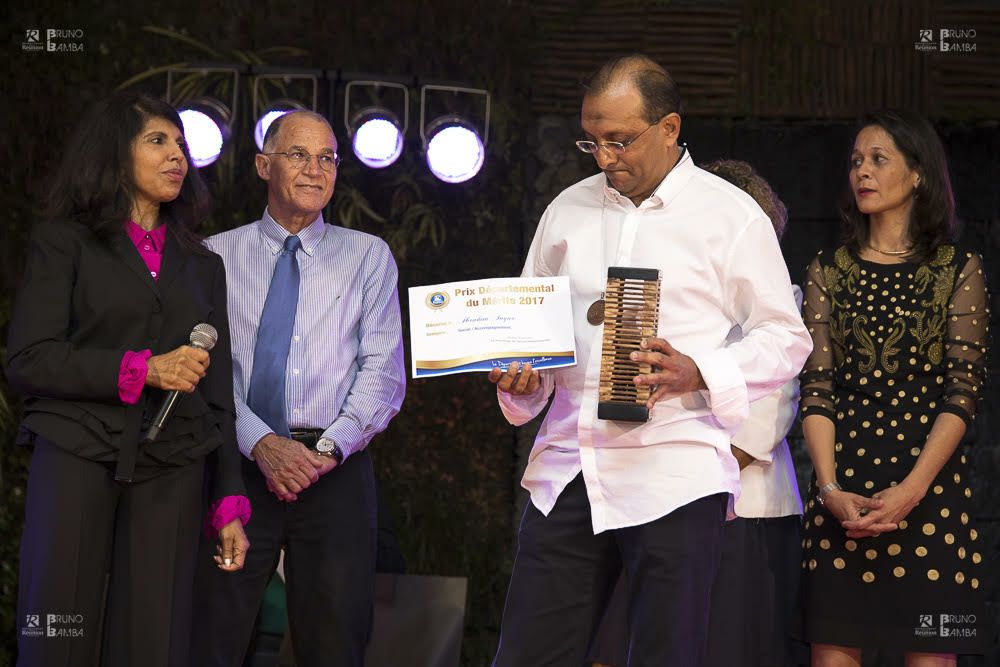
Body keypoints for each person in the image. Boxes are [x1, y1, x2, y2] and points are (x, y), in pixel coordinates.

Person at [488, 54, 813, 666]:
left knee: (666, 653)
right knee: (528, 653)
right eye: (592, 141)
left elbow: (786, 336)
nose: (606, 158)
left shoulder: (731, 215)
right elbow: (533, 335)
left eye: (620, 140)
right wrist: (523, 378)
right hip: (571, 467)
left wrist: (701, 371)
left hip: (675, 471)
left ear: (669, 128)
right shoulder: (568, 210)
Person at [6, 91, 249, 667]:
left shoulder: (203, 263)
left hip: (174, 462)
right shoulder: (64, 241)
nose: (178, 157)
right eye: (158, 141)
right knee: (55, 633)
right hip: (75, 450)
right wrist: (143, 369)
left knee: (155, 640)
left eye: (182, 146)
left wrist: (230, 499)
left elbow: (218, 392)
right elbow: (29, 358)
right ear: (116, 155)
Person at [193, 110, 406, 667]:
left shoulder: (368, 256)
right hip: (236, 464)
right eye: (297, 154)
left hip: (333, 468)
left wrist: (325, 452)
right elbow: (202, 374)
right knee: (213, 634)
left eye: (328, 158)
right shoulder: (212, 255)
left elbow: (383, 372)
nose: (315, 169)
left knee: (336, 643)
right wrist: (261, 444)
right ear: (264, 165)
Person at [587, 159, 806, 667]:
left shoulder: (782, 304)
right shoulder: (661, 298)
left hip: (737, 510)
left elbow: (770, 413)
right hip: (650, 499)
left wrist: (694, 481)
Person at [798, 109, 988, 665]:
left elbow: (963, 390)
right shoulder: (827, 270)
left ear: (918, 174)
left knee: (931, 654)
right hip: (843, 496)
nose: (863, 171)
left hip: (929, 494)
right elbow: (817, 388)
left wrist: (911, 490)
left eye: (879, 160)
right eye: (857, 161)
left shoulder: (958, 268)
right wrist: (829, 491)